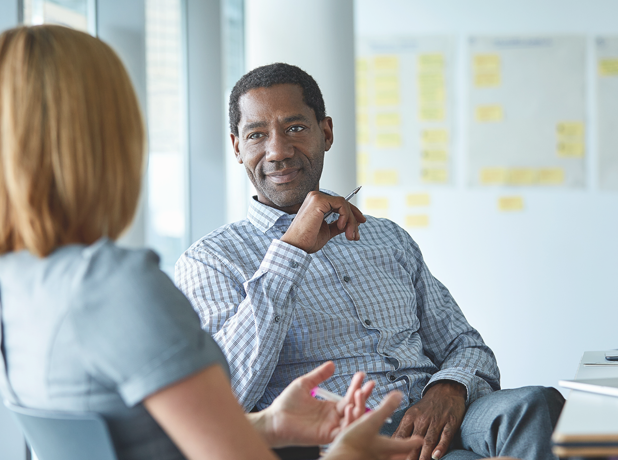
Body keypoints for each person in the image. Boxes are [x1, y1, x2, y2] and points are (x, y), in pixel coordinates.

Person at [0, 25, 423, 460]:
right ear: (109, 139)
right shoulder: (115, 285)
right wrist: (350, 452)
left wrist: (268, 424)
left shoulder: (19, 280)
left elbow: (140, 438)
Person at [175, 63, 565, 460]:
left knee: (533, 405)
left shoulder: (387, 237)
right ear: (237, 147)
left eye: (295, 128)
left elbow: (466, 345)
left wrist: (449, 389)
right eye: (257, 135)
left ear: (325, 132)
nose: (278, 150)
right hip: (347, 442)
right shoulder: (211, 261)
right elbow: (228, 395)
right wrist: (290, 252)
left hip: (445, 418)